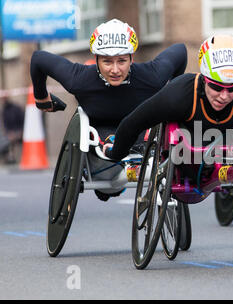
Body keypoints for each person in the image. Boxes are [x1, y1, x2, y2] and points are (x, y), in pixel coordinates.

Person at [30, 18, 187, 200]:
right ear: (96, 60)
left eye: (121, 61)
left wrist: (171, 91)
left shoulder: (152, 76)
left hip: (138, 130)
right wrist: (41, 98)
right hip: (101, 134)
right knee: (108, 183)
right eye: (107, 62)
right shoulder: (79, 79)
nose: (115, 70)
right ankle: (110, 179)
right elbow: (38, 59)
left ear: (131, 58)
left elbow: (181, 51)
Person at [103, 35, 233, 165]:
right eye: (217, 87)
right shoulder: (179, 94)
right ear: (204, 79)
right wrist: (116, 152)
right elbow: (133, 122)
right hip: (186, 155)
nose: (224, 96)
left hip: (231, 145)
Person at [1, 96, 25, 164]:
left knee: (7, 141)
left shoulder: (16, 109)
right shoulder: (4, 111)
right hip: (10, 133)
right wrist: (8, 133)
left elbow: (23, 122)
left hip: (19, 132)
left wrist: (19, 132)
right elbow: (5, 125)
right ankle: (9, 158)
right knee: (4, 141)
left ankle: (11, 157)